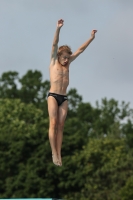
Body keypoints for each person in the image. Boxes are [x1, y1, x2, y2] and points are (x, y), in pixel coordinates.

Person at [47, 19, 97, 166]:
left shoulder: (68, 62)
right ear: (59, 56)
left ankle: (59, 152)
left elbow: (80, 50)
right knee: (54, 122)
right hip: (53, 96)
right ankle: (53, 152)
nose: (66, 61)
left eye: (68, 58)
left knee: (61, 125)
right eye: (64, 58)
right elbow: (54, 44)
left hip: (64, 97)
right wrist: (58, 28)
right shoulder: (53, 61)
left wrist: (91, 38)